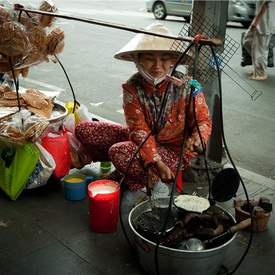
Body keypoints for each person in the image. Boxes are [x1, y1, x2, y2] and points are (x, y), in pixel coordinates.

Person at [75, 22, 212, 192]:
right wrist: (156, 161)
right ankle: (134, 172)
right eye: (149, 58)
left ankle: (146, 182)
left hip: (174, 150)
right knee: (84, 129)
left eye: (164, 59)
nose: (157, 66)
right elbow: (139, 130)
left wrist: (199, 138)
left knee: (119, 153)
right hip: (144, 142)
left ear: (173, 60)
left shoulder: (187, 87)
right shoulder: (132, 87)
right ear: (138, 59)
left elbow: (203, 120)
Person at [242, 0, 275, 80]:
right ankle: (257, 69)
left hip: (264, 23)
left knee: (261, 49)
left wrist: (256, 21)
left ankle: (260, 73)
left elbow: (265, 5)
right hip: (260, 22)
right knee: (247, 41)